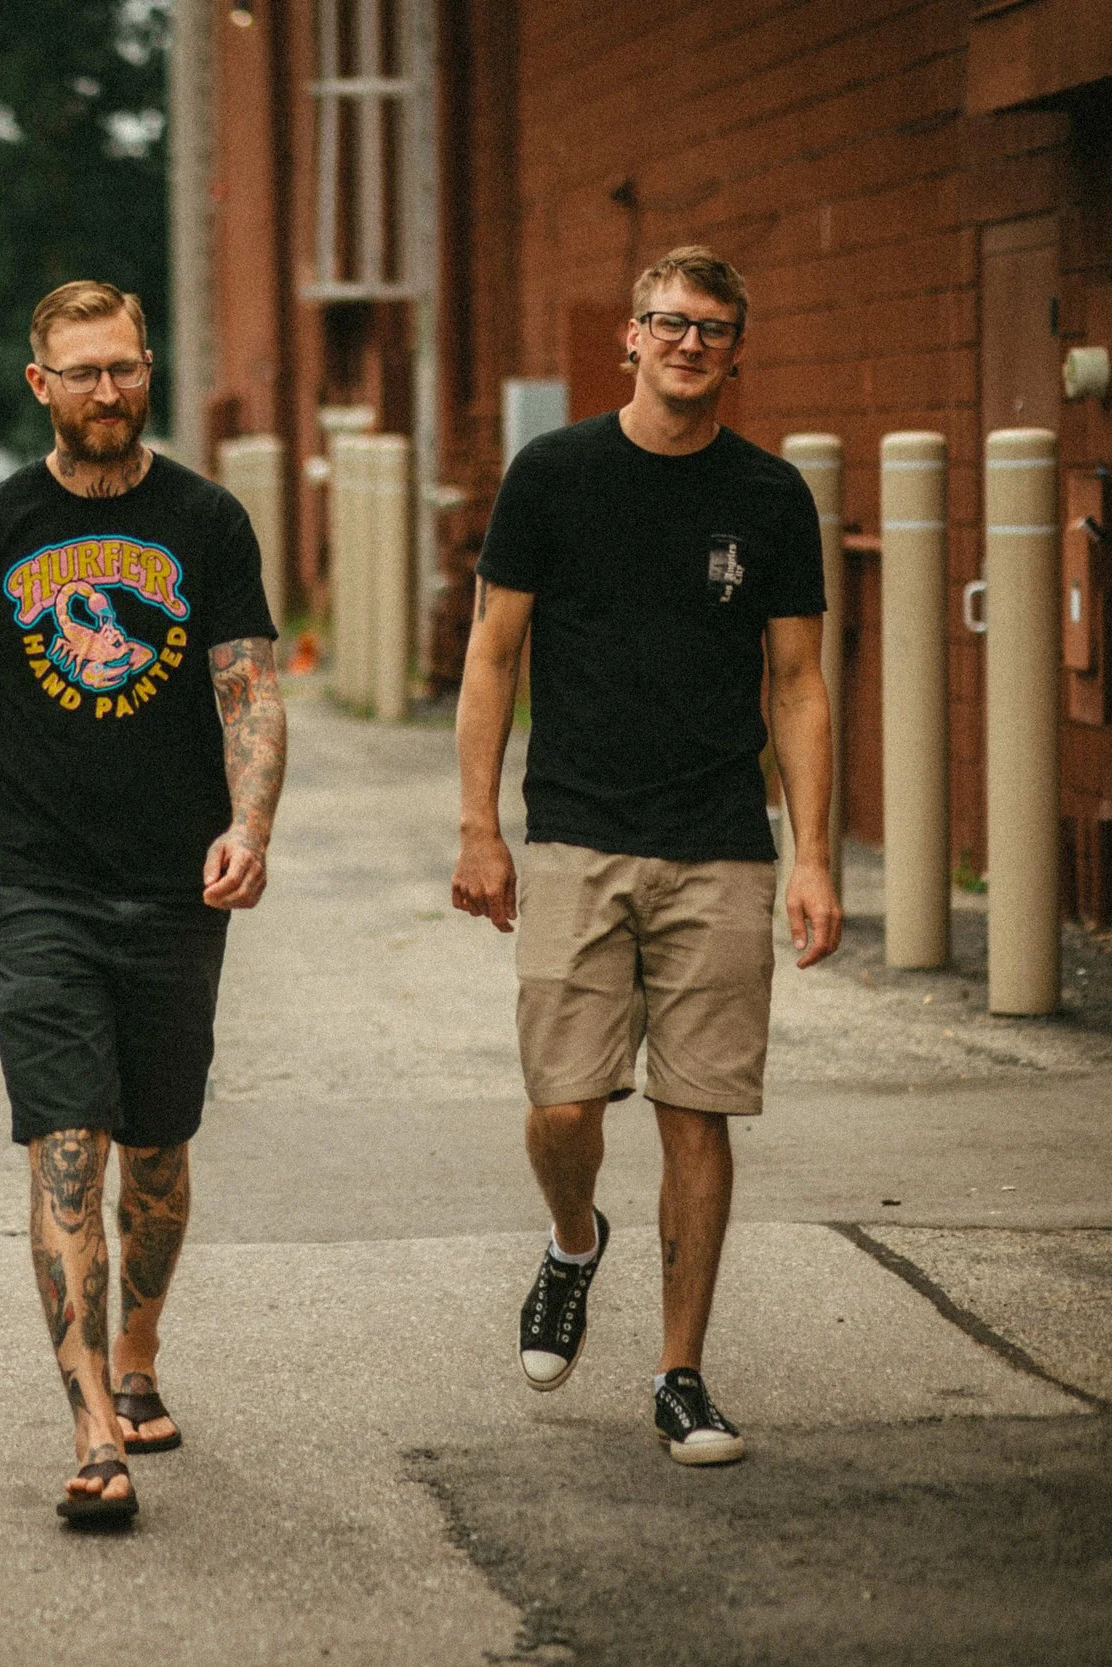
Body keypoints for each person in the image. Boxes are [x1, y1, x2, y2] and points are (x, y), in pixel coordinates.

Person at [450, 245, 840, 1466]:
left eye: (712, 329)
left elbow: (798, 683)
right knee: (564, 1102)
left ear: (736, 348)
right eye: (667, 324)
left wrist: (815, 856)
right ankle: (574, 1241)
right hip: (573, 832)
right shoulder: (554, 474)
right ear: (629, 337)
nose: (688, 344)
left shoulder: (770, 496)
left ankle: (681, 1372)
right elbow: (490, 654)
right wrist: (479, 826)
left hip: (719, 845)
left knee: (697, 1109)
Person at [0, 279, 288, 1526]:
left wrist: (249, 820)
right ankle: (89, 1427)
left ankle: (138, 1354)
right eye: (81, 371)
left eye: (125, 366)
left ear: (147, 370)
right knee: (65, 1143)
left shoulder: (206, 520)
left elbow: (245, 686)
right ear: (41, 386)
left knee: (157, 1151)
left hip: (178, 884)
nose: (108, 390)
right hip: (38, 887)